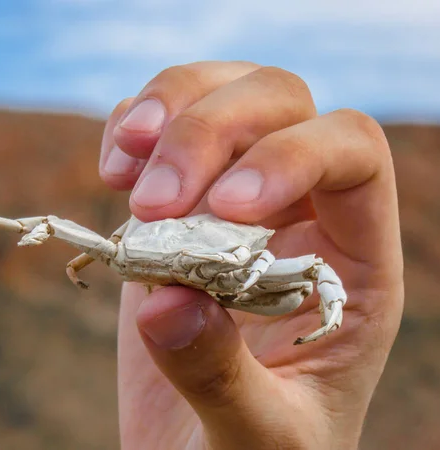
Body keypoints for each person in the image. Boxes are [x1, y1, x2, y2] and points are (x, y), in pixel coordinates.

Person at [98, 61, 404, 449]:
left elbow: (315, 270)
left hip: (253, 289)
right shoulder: (148, 228)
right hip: (160, 254)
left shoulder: (263, 247)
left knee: (314, 268)